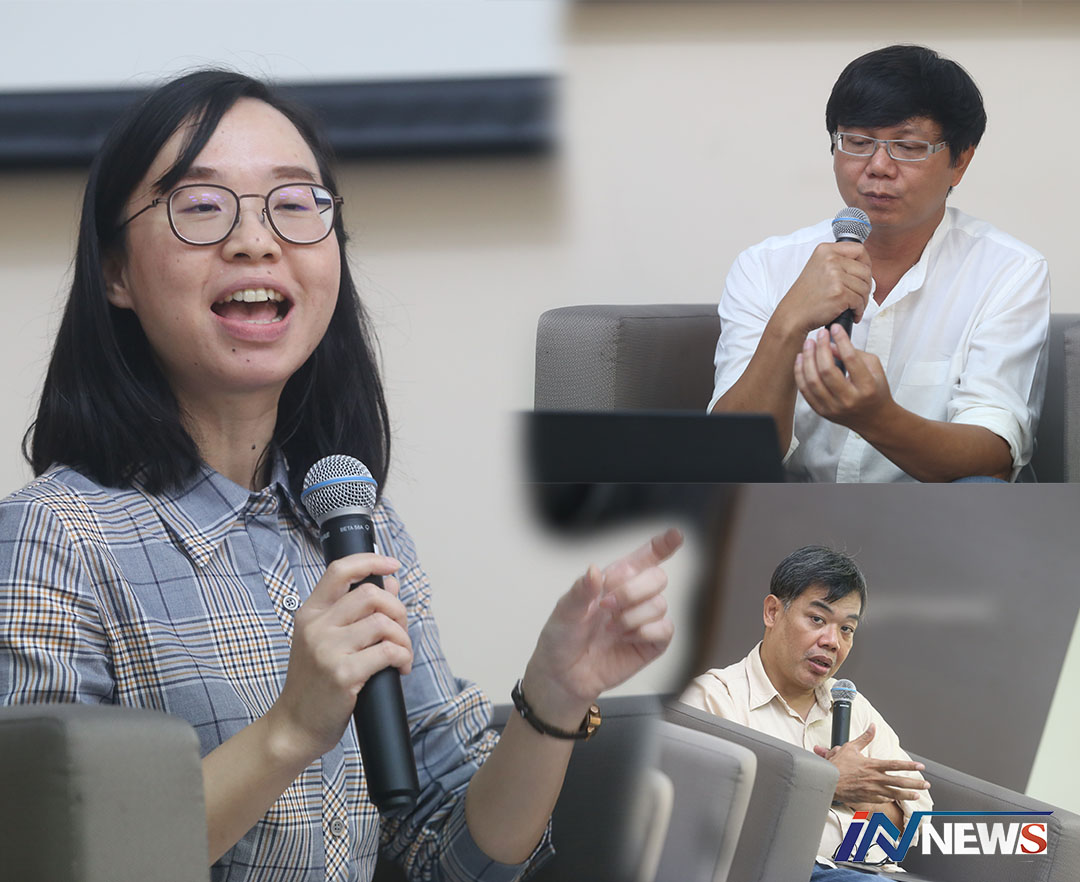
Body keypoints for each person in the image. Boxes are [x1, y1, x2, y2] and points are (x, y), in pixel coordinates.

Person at [0, 70, 683, 882]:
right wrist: (291, 728)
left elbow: (453, 857)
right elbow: (52, 856)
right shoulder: (54, 538)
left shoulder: (354, 524)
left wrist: (552, 698)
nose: (256, 241)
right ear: (116, 272)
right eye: (201, 205)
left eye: (295, 203)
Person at [710, 45, 1050, 482]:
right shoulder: (764, 266)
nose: (878, 166)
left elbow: (992, 457)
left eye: (907, 146)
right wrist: (788, 323)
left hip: (938, 512)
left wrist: (878, 418)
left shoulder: (1009, 271)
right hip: (791, 510)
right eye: (857, 142)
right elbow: (726, 459)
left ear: (960, 161)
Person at [680, 546, 932, 880]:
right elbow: (705, 817)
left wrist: (864, 799)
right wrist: (826, 784)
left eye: (846, 629)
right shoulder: (713, 699)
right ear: (773, 612)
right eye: (817, 619)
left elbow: (916, 819)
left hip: (873, 871)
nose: (832, 641)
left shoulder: (853, 705)